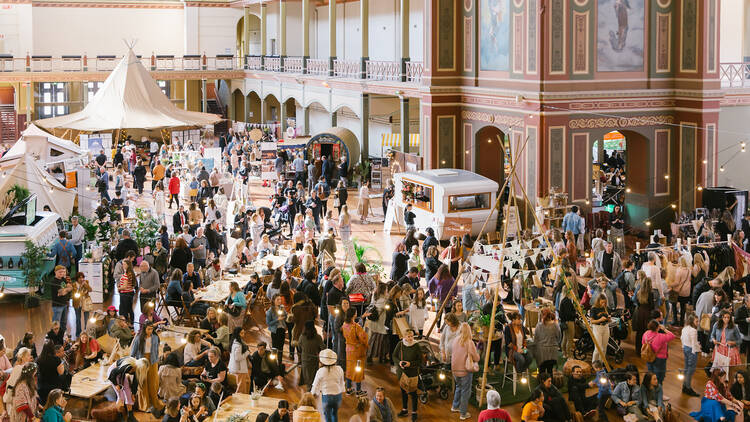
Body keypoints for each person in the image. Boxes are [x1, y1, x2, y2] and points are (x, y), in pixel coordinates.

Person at [450, 322, 479, 420]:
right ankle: (463, 413)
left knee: (458, 387)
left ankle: (455, 406)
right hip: (465, 370)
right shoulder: (469, 342)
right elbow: (477, 358)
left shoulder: (455, 340)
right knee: (465, 391)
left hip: (454, 369)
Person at [393, 329, 422, 422]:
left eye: (412, 336)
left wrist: (411, 364)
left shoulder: (416, 345)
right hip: (402, 373)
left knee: (413, 394)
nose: (410, 338)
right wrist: (399, 362)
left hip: (413, 373)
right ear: (404, 336)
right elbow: (394, 356)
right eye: (408, 336)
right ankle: (405, 409)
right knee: (403, 392)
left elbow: (420, 360)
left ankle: (414, 412)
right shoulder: (400, 344)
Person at [311, 349, 345, 422]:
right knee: (335, 414)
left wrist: (312, 394)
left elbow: (315, 385)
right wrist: (342, 391)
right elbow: (342, 383)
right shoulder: (339, 369)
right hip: (338, 396)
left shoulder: (320, 371)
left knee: (327, 416)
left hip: (327, 396)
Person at [342, 308, 368, 396]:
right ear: (354, 315)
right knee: (358, 369)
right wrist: (366, 345)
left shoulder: (344, 324)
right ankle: (358, 390)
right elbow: (363, 338)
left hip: (348, 349)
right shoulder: (356, 327)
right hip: (357, 351)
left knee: (349, 369)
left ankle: (348, 388)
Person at [711, 310, 742, 381]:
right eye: (725, 317)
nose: (727, 319)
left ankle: (729, 389)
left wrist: (733, 342)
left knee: (730, 372)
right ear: (721, 317)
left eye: (728, 317)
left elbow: (740, 340)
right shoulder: (716, 324)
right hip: (719, 350)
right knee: (718, 370)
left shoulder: (734, 327)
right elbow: (712, 335)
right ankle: (719, 386)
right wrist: (714, 340)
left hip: (730, 351)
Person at [642, 319, 675, 385]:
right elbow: (672, 336)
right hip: (660, 358)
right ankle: (657, 388)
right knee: (659, 376)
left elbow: (643, 343)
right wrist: (664, 329)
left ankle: (651, 386)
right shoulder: (660, 336)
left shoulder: (646, 333)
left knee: (650, 373)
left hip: (648, 356)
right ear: (657, 327)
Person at [36, 341, 67, 405]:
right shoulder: (56, 359)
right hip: (53, 385)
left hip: (41, 385)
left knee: (44, 403)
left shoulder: (38, 359)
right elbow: (61, 372)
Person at [534, 308, 561, 375]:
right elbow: (559, 338)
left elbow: (536, 339)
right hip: (553, 352)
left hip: (542, 352)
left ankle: (541, 383)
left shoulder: (539, 326)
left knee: (541, 370)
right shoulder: (556, 325)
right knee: (550, 370)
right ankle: (550, 383)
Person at [298, 320, 324, 389]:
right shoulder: (318, 337)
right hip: (314, 360)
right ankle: (312, 393)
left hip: (305, 360)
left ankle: (310, 394)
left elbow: (299, 348)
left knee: (308, 379)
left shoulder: (302, 337)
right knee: (313, 378)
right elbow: (323, 348)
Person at [48, 266, 72, 335]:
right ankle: (54, 336)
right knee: (56, 324)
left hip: (64, 304)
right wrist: (65, 290)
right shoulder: (54, 282)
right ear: (55, 272)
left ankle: (63, 335)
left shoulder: (63, 280)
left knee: (64, 323)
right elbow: (61, 293)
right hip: (57, 306)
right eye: (60, 272)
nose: (62, 273)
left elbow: (70, 287)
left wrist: (65, 290)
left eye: (63, 272)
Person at [682, 313, 701, 397]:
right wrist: (697, 349)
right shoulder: (693, 330)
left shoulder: (685, 328)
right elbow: (694, 343)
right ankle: (688, 387)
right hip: (691, 351)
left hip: (685, 348)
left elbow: (682, 338)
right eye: (697, 321)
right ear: (692, 321)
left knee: (686, 368)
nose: (698, 323)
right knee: (690, 370)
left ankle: (685, 385)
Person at [228, 327, 252, 394]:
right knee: (241, 387)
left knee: (247, 381)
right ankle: (241, 399)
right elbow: (238, 358)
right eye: (241, 333)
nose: (243, 334)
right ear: (238, 334)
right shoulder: (238, 345)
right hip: (239, 368)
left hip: (238, 367)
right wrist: (247, 353)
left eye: (244, 332)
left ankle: (246, 396)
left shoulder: (234, 341)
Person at [588, 295, 610, 363]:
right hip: (597, 328)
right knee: (598, 348)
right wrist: (600, 320)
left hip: (605, 327)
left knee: (604, 348)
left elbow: (607, 318)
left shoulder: (605, 308)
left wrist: (608, 319)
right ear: (598, 301)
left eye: (604, 302)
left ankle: (601, 363)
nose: (603, 304)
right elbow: (591, 321)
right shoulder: (593, 309)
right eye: (602, 302)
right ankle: (594, 364)